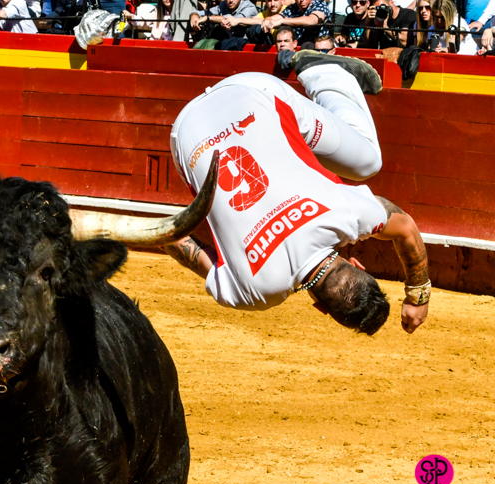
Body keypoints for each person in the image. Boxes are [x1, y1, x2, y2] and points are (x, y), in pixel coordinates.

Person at [165, 52, 430, 335]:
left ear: (358, 265)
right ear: (321, 307)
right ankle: (325, 72)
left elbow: (405, 228)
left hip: (253, 92)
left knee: (369, 162)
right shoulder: (253, 293)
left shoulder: (346, 214)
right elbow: (173, 238)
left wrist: (418, 295)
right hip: (185, 133)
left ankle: (326, 74)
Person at [261, 0, 332, 47]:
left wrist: (282, 21)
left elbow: (312, 21)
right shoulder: (293, 8)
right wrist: (268, 19)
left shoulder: (319, 5)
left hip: (319, 49)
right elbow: (277, 17)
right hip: (297, 49)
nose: (301, 0)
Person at [189, 0, 259, 45]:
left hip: (245, 46)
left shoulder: (249, 7)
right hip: (227, 44)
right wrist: (194, 15)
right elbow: (201, 12)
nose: (230, 0)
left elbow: (233, 20)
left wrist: (208, 18)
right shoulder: (223, 5)